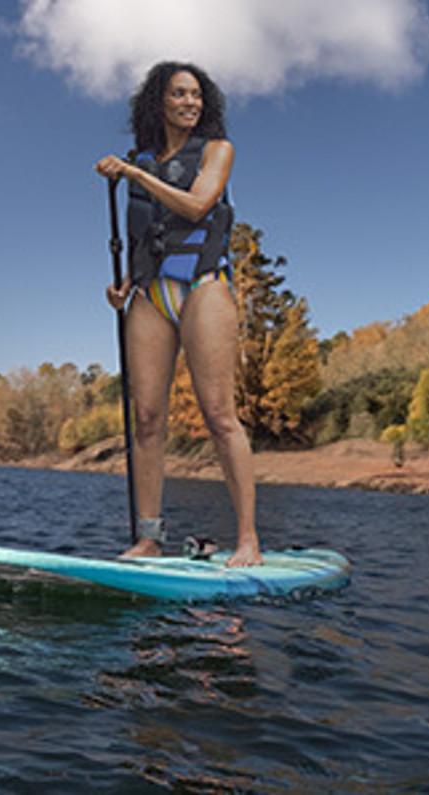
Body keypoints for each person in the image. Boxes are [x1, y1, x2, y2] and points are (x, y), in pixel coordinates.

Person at [94, 61, 262, 568]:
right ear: (159, 102)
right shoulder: (140, 162)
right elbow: (147, 235)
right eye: (179, 95)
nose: (191, 103)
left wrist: (134, 173)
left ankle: (249, 540)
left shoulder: (217, 150)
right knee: (146, 419)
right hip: (150, 294)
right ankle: (149, 537)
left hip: (205, 287)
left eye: (196, 95)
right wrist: (124, 285)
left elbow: (196, 206)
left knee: (217, 414)